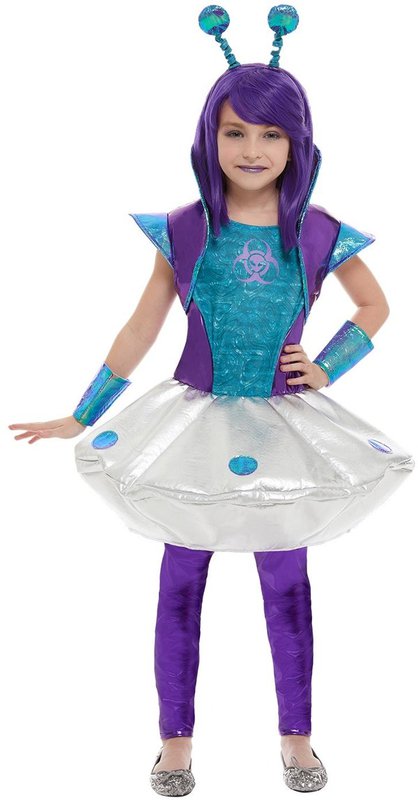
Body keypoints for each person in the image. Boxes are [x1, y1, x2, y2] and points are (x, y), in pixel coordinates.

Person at [8, 5, 415, 796]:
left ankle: (297, 738)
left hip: (285, 432)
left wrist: (327, 366)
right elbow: (141, 326)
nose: (252, 149)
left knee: (286, 584)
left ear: (297, 144)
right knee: (180, 583)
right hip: (190, 428)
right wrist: (82, 414)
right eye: (235, 132)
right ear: (209, 137)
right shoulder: (186, 229)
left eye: (270, 134)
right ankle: (175, 743)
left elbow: (376, 307)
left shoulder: (318, 232)